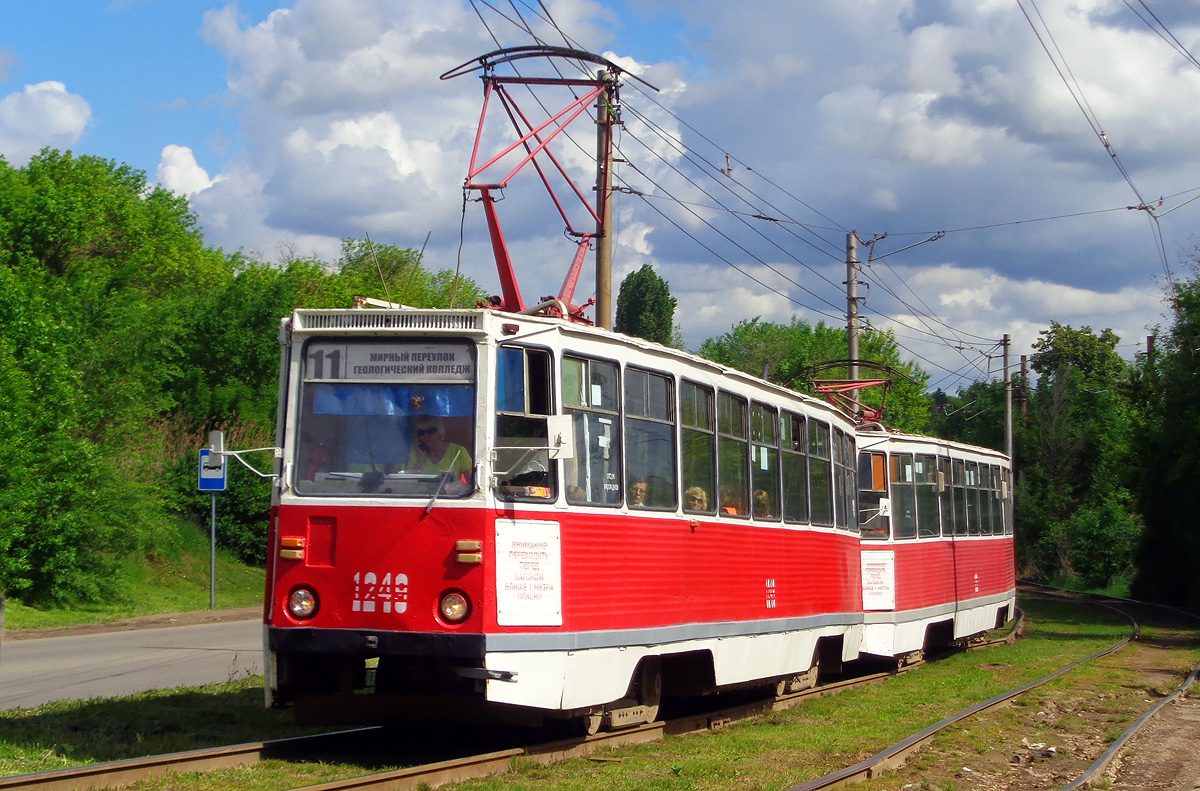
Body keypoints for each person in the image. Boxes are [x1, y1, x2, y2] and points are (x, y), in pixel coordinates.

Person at [406, 415, 473, 476]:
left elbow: (471, 481)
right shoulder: (416, 453)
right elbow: (410, 481)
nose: (426, 436)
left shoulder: (458, 451)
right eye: (421, 433)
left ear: (440, 431)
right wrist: (421, 459)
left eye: (430, 431)